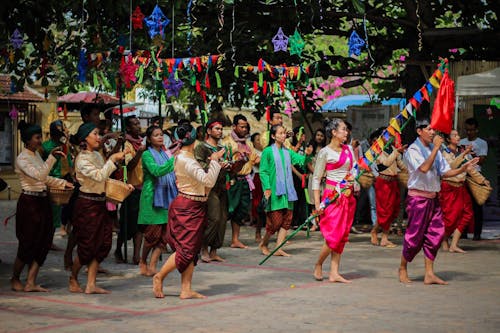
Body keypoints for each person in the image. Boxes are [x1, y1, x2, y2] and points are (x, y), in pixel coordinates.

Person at [399, 119, 478, 285]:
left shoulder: (434, 150)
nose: (433, 132)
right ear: (419, 131)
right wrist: (436, 148)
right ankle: (403, 267)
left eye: (432, 129)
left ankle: (429, 273)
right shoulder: (413, 149)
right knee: (414, 237)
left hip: (433, 198)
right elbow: (424, 168)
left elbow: (446, 172)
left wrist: (463, 168)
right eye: (428, 129)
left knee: (436, 234)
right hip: (418, 199)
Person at [153, 123, 224, 299]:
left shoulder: (184, 157)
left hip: (194, 205)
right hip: (188, 207)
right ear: (193, 140)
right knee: (186, 249)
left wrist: (214, 163)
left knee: (191, 249)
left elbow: (201, 182)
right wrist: (214, 161)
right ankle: (159, 276)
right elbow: (208, 181)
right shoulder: (186, 159)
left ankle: (186, 289)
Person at [69, 123, 132, 294]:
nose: (99, 137)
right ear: (85, 139)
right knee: (87, 246)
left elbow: (106, 179)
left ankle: (91, 283)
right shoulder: (81, 159)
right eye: (95, 134)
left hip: (100, 202)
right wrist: (112, 160)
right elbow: (99, 176)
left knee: (102, 242)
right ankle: (73, 278)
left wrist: (122, 186)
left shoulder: (96, 155)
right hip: (87, 204)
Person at [11, 121, 73, 292]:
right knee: (27, 243)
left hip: (43, 200)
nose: (40, 141)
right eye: (37, 138)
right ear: (27, 140)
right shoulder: (22, 158)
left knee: (44, 241)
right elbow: (39, 176)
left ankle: (31, 281)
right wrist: (52, 157)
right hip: (29, 203)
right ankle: (15, 278)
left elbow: (46, 179)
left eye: (40, 137)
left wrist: (62, 183)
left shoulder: (36, 156)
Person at [312, 118, 359, 283]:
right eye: (343, 129)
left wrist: (354, 183)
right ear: (333, 132)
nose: (346, 133)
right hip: (332, 198)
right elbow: (316, 179)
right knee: (333, 236)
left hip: (347, 197)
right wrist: (317, 205)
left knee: (343, 236)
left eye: (346, 130)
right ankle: (319, 263)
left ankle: (334, 272)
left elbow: (353, 171)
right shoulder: (325, 152)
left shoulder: (349, 150)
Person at [259, 125, 312, 256]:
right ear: (273, 136)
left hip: (288, 191)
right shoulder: (268, 152)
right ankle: (264, 244)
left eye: (284, 133)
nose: (284, 135)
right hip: (274, 190)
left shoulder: (287, 152)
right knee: (275, 222)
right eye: (281, 133)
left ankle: (278, 248)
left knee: (287, 220)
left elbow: (301, 162)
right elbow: (263, 171)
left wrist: (307, 156)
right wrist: (266, 187)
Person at [439, 129, 489, 253]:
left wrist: (482, 180)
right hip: (449, 187)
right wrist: (463, 154)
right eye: (454, 135)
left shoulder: (463, 151)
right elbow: (451, 167)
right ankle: (445, 239)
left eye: (457, 135)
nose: (458, 137)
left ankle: (454, 244)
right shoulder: (445, 153)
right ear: (448, 139)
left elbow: (470, 169)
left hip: (461, 187)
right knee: (450, 218)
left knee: (467, 214)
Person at [137, 125, 177, 276]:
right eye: (156, 135)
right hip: (152, 197)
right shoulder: (147, 155)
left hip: (167, 196)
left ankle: (153, 265)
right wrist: (173, 160)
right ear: (149, 139)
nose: (160, 137)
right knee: (151, 235)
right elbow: (156, 171)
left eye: (161, 134)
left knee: (164, 236)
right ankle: (143, 260)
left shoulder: (166, 154)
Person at [194, 119, 231, 262]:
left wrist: (228, 166)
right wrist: (214, 163)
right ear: (209, 131)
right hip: (208, 188)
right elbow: (199, 165)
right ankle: (203, 247)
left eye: (221, 129)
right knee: (213, 218)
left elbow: (226, 164)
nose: (220, 131)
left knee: (222, 219)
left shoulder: (223, 148)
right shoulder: (202, 147)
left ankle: (214, 250)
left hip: (222, 186)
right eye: (217, 129)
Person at [221, 114, 260, 249]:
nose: (244, 129)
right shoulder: (226, 142)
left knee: (241, 211)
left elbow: (255, 159)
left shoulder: (248, 143)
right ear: (234, 126)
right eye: (241, 126)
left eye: (245, 127)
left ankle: (235, 239)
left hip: (245, 180)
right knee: (228, 210)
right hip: (231, 180)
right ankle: (216, 239)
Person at [115, 116, 146, 264]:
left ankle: (136, 255)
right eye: (134, 124)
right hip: (130, 188)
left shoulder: (141, 142)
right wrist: (139, 153)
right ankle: (119, 249)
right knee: (127, 224)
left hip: (142, 188)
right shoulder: (126, 145)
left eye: (138, 123)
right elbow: (129, 167)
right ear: (128, 128)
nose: (138, 126)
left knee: (140, 224)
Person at [370, 131, 407, 248]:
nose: (390, 138)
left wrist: (410, 170)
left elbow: (400, 164)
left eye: (391, 136)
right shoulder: (378, 150)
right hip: (383, 183)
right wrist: (397, 152)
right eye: (387, 136)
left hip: (393, 182)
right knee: (384, 211)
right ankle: (376, 233)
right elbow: (385, 163)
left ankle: (383, 236)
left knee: (392, 211)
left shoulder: (393, 148)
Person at [41, 120, 73, 242]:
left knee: (57, 213)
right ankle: (46, 240)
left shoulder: (65, 145)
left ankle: (49, 241)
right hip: (51, 182)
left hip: (63, 181)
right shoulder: (46, 147)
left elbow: (68, 161)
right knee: (50, 212)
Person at [459, 117, 488, 240]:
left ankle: (477, 234)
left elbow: (481, 161)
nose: (469, 132)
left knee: (477, 206)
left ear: (476, 130)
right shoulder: (461, 142)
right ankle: (463, 233)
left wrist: (470, 153)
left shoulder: (482, 143)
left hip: (476, 176)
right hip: (463, 175)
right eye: (467, 130)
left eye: (471, 130)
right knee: (463, 206)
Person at [307, 129, 327, 231]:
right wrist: (317, 174)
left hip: (324, 178)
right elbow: (308, 164)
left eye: (321, 135)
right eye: (318, 135)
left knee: (324, 201)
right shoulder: (311, 148)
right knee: (314, 202)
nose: (319, 137)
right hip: (313, 177)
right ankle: (314, 223)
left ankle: (323, 223)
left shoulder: (327, 149)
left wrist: (324, 174)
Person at [250, 132, 265, 242]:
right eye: (258, 140)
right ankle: (258, 232)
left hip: (268, 177)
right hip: (258, 177)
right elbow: (256, 163)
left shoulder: (266, 150)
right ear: (253, 143)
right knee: (259, 204)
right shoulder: (253, 152)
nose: (260, 142)